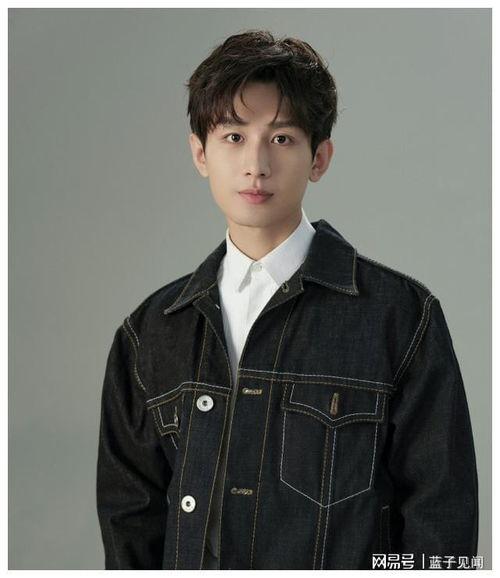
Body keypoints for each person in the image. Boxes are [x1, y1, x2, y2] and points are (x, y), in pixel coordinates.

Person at [96, 29, 479, 570]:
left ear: (319, 158)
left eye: (281, 139)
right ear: (200, 153)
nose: (256, 164)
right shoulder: (151, 333)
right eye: (233, 136)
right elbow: (129, 526)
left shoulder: (400, 316)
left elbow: (442, 518)